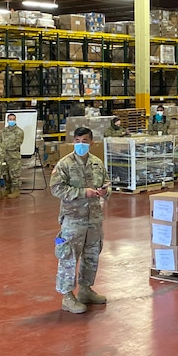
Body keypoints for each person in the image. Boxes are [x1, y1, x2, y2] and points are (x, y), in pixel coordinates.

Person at [51, 127, 111, 314]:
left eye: (84, 141)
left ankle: (85, 289)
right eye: (77, 141)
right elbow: (56, 188)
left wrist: (104, 191)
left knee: (92, 255)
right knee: (69, 256)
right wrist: (82, 192)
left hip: (94, 217)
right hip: (73, 218)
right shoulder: (64, 164)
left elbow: (107, 183)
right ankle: (67, 296)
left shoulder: (97, 163)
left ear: (92, 142)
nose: (81, 145)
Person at [0, 113, 25, 199]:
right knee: (5, 174)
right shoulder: (4, 131)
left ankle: (16, 190)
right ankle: (8, 189)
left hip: (14, 156)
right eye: (10, 119)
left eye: (13, 119)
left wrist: (5, 147)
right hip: (4, 156)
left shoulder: (19, 131)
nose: (11, 121)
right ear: (7, 120)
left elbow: (18, 143)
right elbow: (0, 142)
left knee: (14, 174)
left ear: (15, 120)